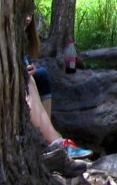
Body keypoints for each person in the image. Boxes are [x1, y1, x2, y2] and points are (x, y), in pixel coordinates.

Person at [23, 12, 92, 160]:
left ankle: (48, 135)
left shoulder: (22, 36)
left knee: (40, 75)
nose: (28, 18)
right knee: (29, 81)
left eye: (30, 13)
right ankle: (54, 141)